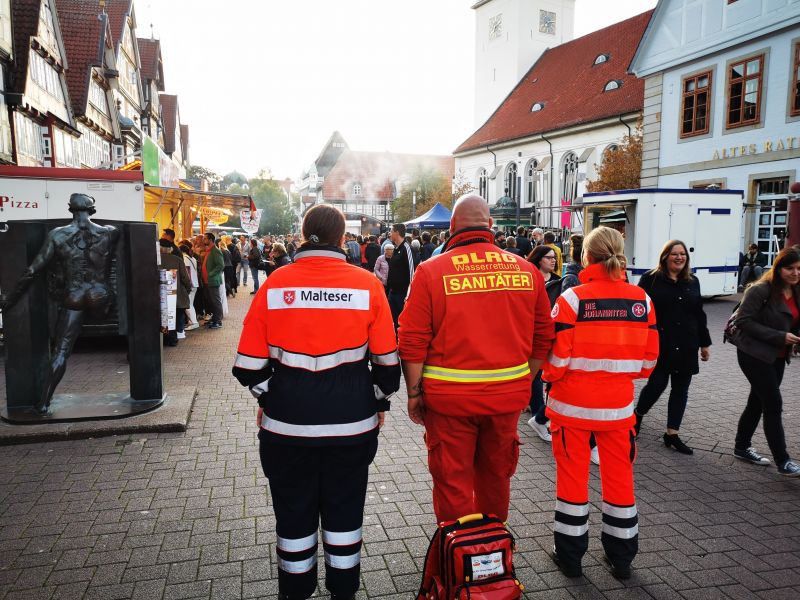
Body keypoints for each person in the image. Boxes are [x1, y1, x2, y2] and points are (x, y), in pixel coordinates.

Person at [232, 204, 400, 600]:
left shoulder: (275, 285)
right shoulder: (367, 285)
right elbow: (389, 369)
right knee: (345, 510)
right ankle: (343, 590)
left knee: (292, 514)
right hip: (352, 427)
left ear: (305, 233)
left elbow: (247, 368)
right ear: (344, 238)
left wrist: (272, 398)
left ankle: (296, 589)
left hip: (286, 429)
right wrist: (372, 402)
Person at [398, 194, 555, 523]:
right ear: (491, 226)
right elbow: (543, 337)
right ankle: (492, 558)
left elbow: (412, 340)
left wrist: (414, 394)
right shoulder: (527, 272)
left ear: (452, 227)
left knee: (452, 484)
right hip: (505, 400)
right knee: (495, 479)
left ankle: (457, 561)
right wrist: (523, 382)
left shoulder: (431, 272)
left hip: (449, 401)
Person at [543, 226, 658, 580]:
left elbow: (556, 361)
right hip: (619, 409)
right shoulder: (642, 301)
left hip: (571, 408)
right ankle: (622, 558)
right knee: (620, 479)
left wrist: (553, 377)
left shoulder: (572, 299)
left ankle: (571, 557)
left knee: (573, 480)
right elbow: (648, 363)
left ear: (586, 257)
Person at [634, 241, 711, 455]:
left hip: (687, 343)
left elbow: (699, 314)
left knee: (681, 390)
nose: (679, 257)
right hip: (661, 343)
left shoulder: (692, 281)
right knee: (656, 384)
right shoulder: (651, 279)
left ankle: (672, 433)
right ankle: (637, 415)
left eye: (682, 254)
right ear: (665, 256)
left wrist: (704, 343)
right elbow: (639, 310)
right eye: (674, 254)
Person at [730, 246, 800, 476]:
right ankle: (784, 460)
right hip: (753, 353)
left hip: (778, 355)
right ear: (778, 267)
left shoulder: (797, 290)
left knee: (757, 401)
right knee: (773, 403)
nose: (795, 273)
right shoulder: (761, 290)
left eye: (799, 269)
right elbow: (743, 322)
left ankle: (741, 446)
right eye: (790, 268)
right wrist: (780, 337)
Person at [526, 245, 562, 442]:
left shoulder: (558, 281)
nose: (553, 260)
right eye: (549, 257)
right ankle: (538, 414)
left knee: (548, 375)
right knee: (537, 374)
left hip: (552, 331)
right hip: (533, 331)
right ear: (539, 259)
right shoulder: (530, 277)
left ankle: (540, 413)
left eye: (554, 258)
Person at [159, 239, 192, 346]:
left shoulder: (154, 260)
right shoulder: (177, 260)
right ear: (171, 249)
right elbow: (185, 278)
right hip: (175, 295)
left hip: (160, 295)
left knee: (162, 317)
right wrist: (188, 289)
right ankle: (172, 339)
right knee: (174, 317)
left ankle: (163, 338)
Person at [386, 223, 415, 330]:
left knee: (403, 324)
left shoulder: (407, 248)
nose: (390, 233)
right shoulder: (396, 248)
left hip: (403, 295)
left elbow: (412, 273)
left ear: (397, 232)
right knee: (393, 322)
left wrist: (408, 296)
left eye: (391, 231)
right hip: (393, 292)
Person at [202, 232, 224, 329]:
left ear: (210, 240)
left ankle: (218, 321)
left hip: (212, 280)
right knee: (211, 301)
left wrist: (211, 274)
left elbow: (221, 265)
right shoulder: (209, 250)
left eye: (205, 238)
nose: (204, 240)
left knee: (216, 301)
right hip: (207, 281)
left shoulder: (215, 250)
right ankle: (214, 319)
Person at [180, 243, 200, 331]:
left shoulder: (184, 259)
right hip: (195, 284)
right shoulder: (192, 258)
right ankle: (191, 322)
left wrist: (187, 286)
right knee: (190, 304)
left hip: (190, 285)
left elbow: (187, 273)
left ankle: (194, 322)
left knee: (188, 305)